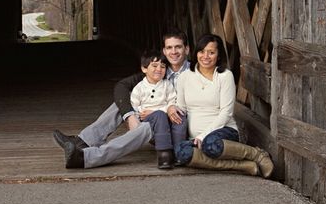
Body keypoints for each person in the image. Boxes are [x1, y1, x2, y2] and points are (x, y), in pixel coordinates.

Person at [53, 28, 190, 169]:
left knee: (144, 128)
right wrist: (130, 115)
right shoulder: (159, 70)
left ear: (187, 49)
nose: (173, 52)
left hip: (175, 127)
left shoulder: (194, 73)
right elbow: (122, 86)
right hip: (152, 117)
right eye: (169, 48)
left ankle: (85, 158)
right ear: (164, 51)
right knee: (129, 98)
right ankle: (83, 141)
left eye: (178, 47)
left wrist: (160, 111)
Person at [174, 34, 274, 178]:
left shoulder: (225, 76)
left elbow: (226, 113)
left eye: (211, 52)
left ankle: (257, 155)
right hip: (195, 138)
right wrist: (170, 108)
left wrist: (203, 135)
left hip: (223, 132)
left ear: (219, 55)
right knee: (180, 152)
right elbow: (181, 108)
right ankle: (243, 166)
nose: (206, 56)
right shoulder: (184, 77)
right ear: (196, 53)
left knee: (210, 144)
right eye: (202, 51)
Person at [129, 50, 185, 168]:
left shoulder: (167, 85)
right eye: (154, 66)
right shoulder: (139, 88)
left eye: (163, 66)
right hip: (149, 121)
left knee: (179, 115)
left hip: (167, 118)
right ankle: (164, 154)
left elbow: (172, 102)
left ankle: (179, 151)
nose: (159, 69)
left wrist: (169, 109)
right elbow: (134, 107)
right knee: (159, 115)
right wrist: (148, 113)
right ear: (144, 69)